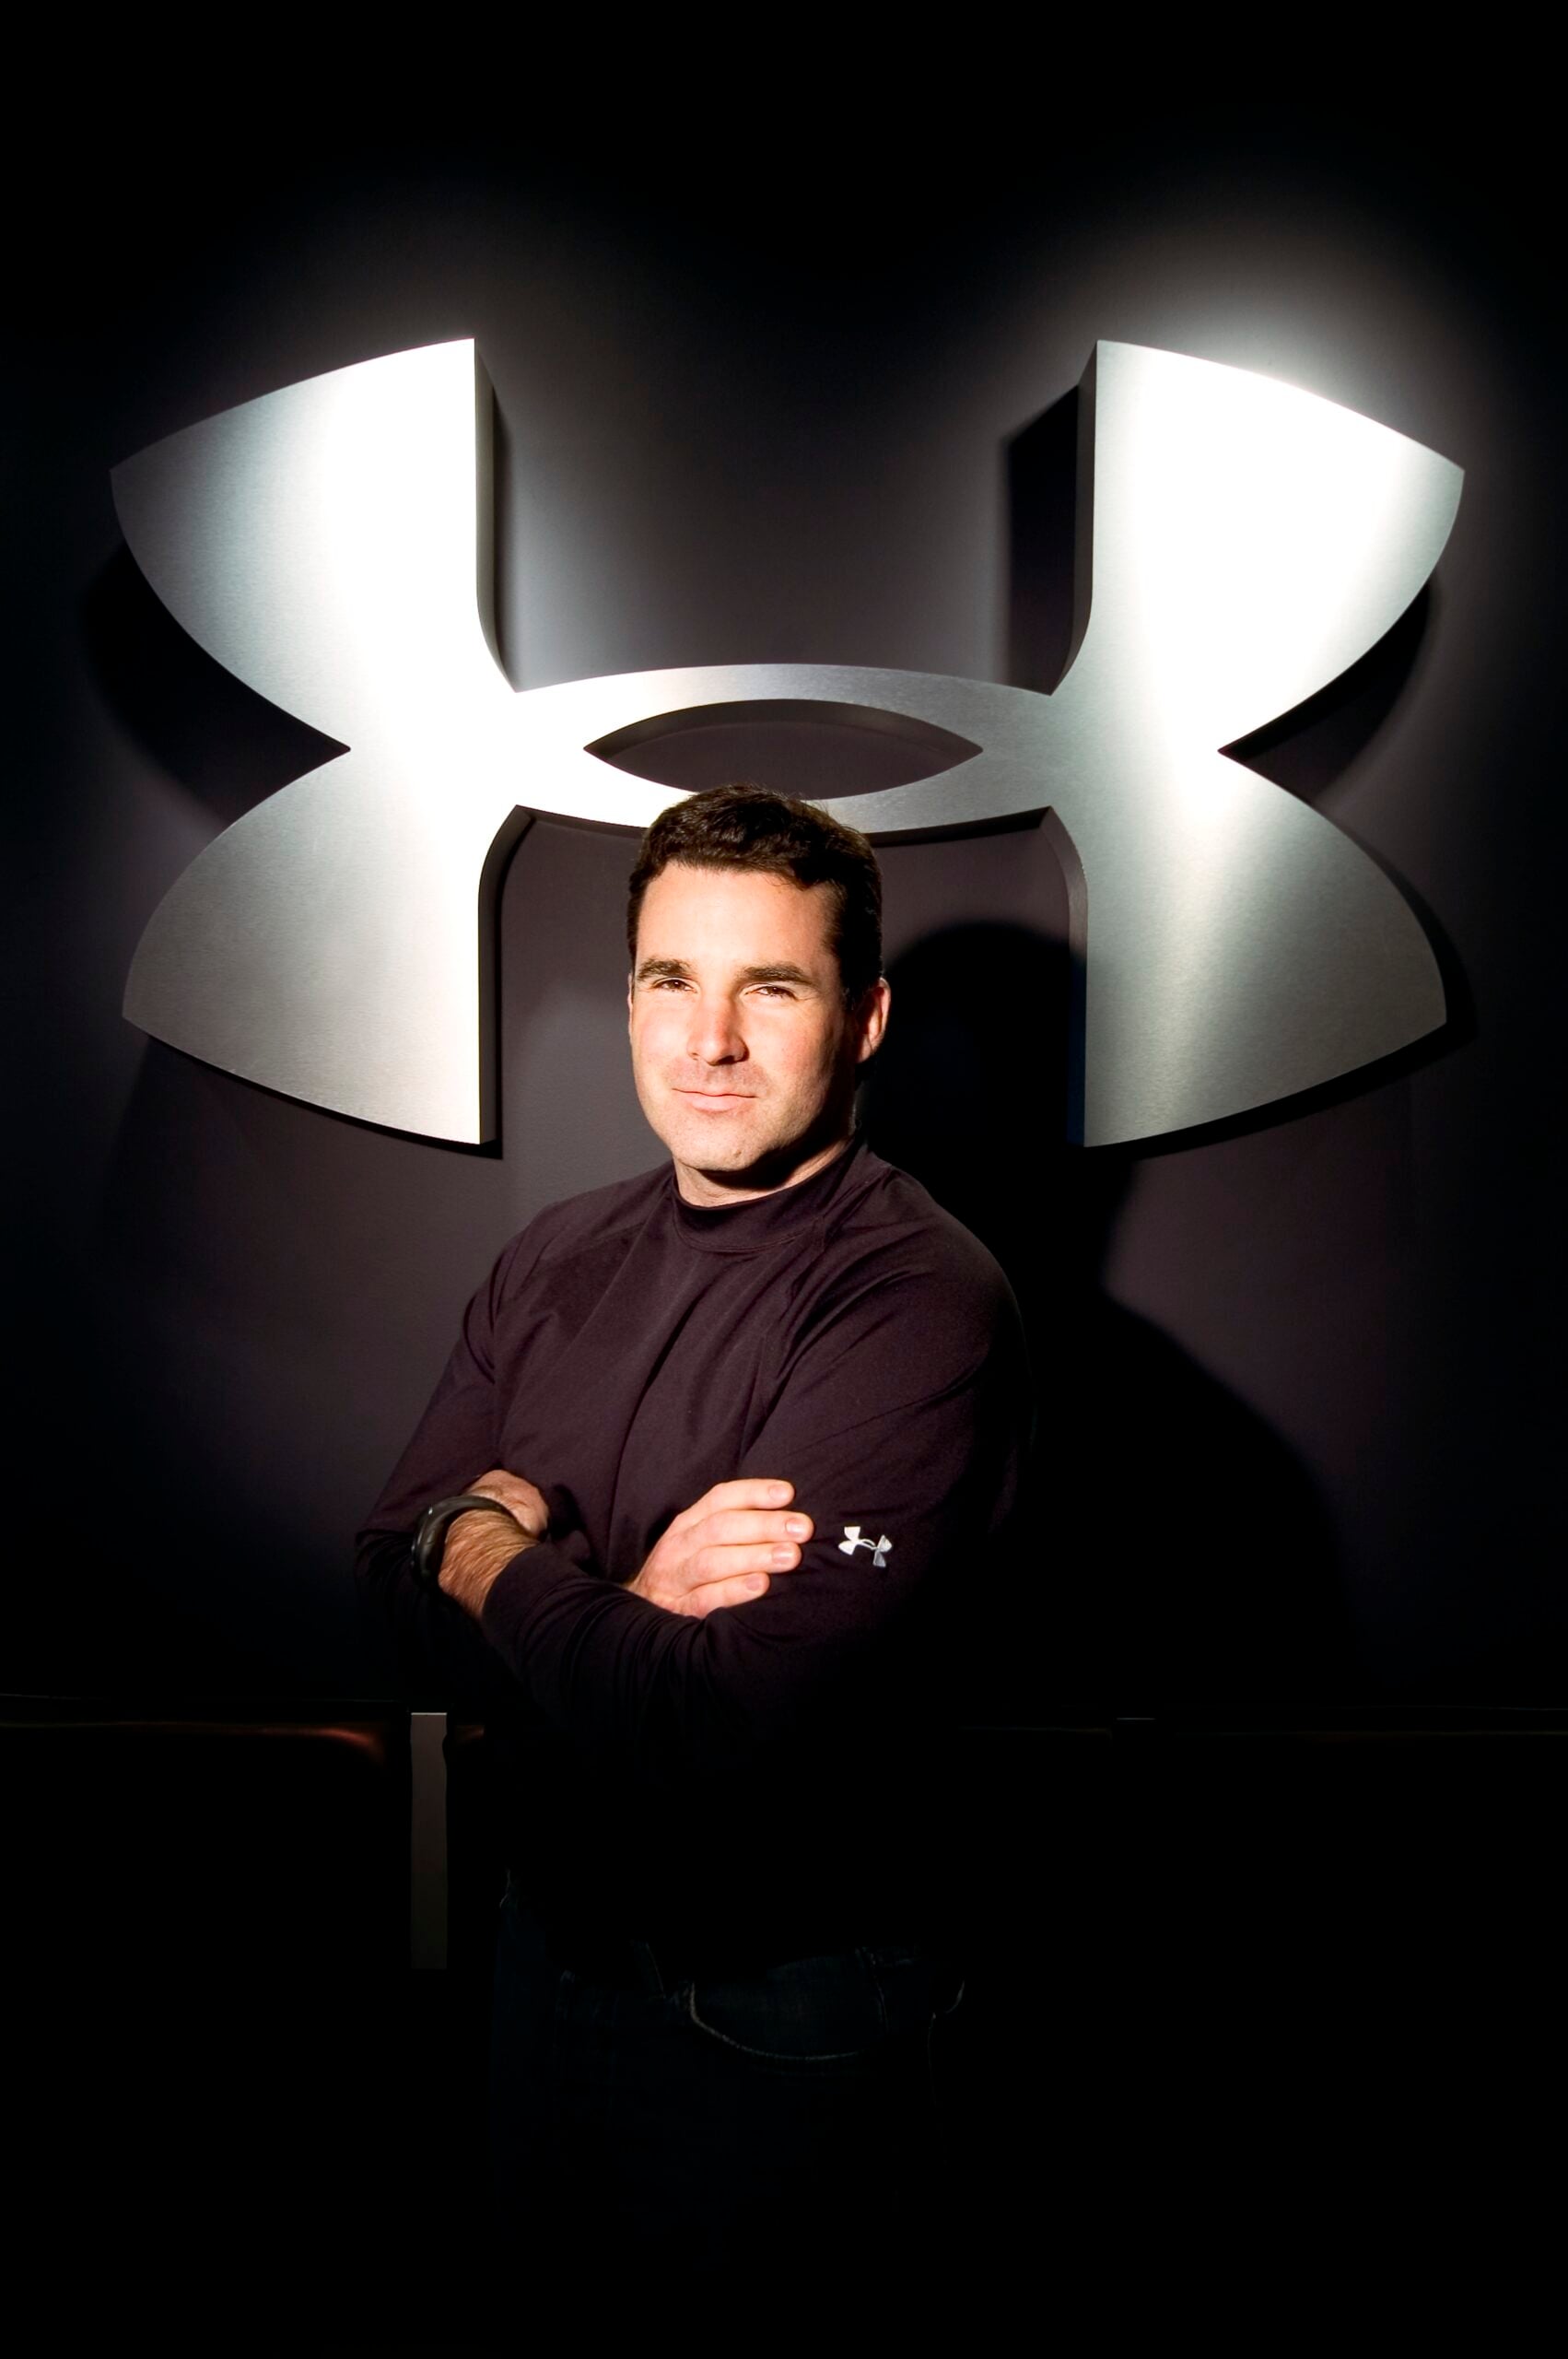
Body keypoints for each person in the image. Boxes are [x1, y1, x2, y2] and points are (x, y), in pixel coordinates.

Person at [357, 783, 1031, 2303]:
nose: (707, 1042)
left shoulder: (914, 1302)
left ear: (861, 1019)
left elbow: (710, 1715)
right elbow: (375, 1587)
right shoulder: (555, 1257)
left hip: (787, 2003)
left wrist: (489, 1552)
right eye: (672, 980)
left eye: (768, 988)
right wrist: (615, 1604)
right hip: (541, 1957)